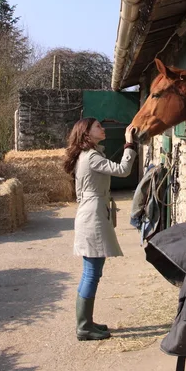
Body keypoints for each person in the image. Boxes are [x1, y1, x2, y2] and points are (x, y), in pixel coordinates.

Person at [64, 117, 137, 341]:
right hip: (92, 217)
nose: (102, 128)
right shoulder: (92, 156)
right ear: (86, 133)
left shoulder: (88, 155)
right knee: (91, 272)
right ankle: (84, 326)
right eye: (98, 126)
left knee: (92, 271)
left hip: (92, 213)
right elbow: (124, 170)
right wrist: (129, 144)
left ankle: (86, 322)